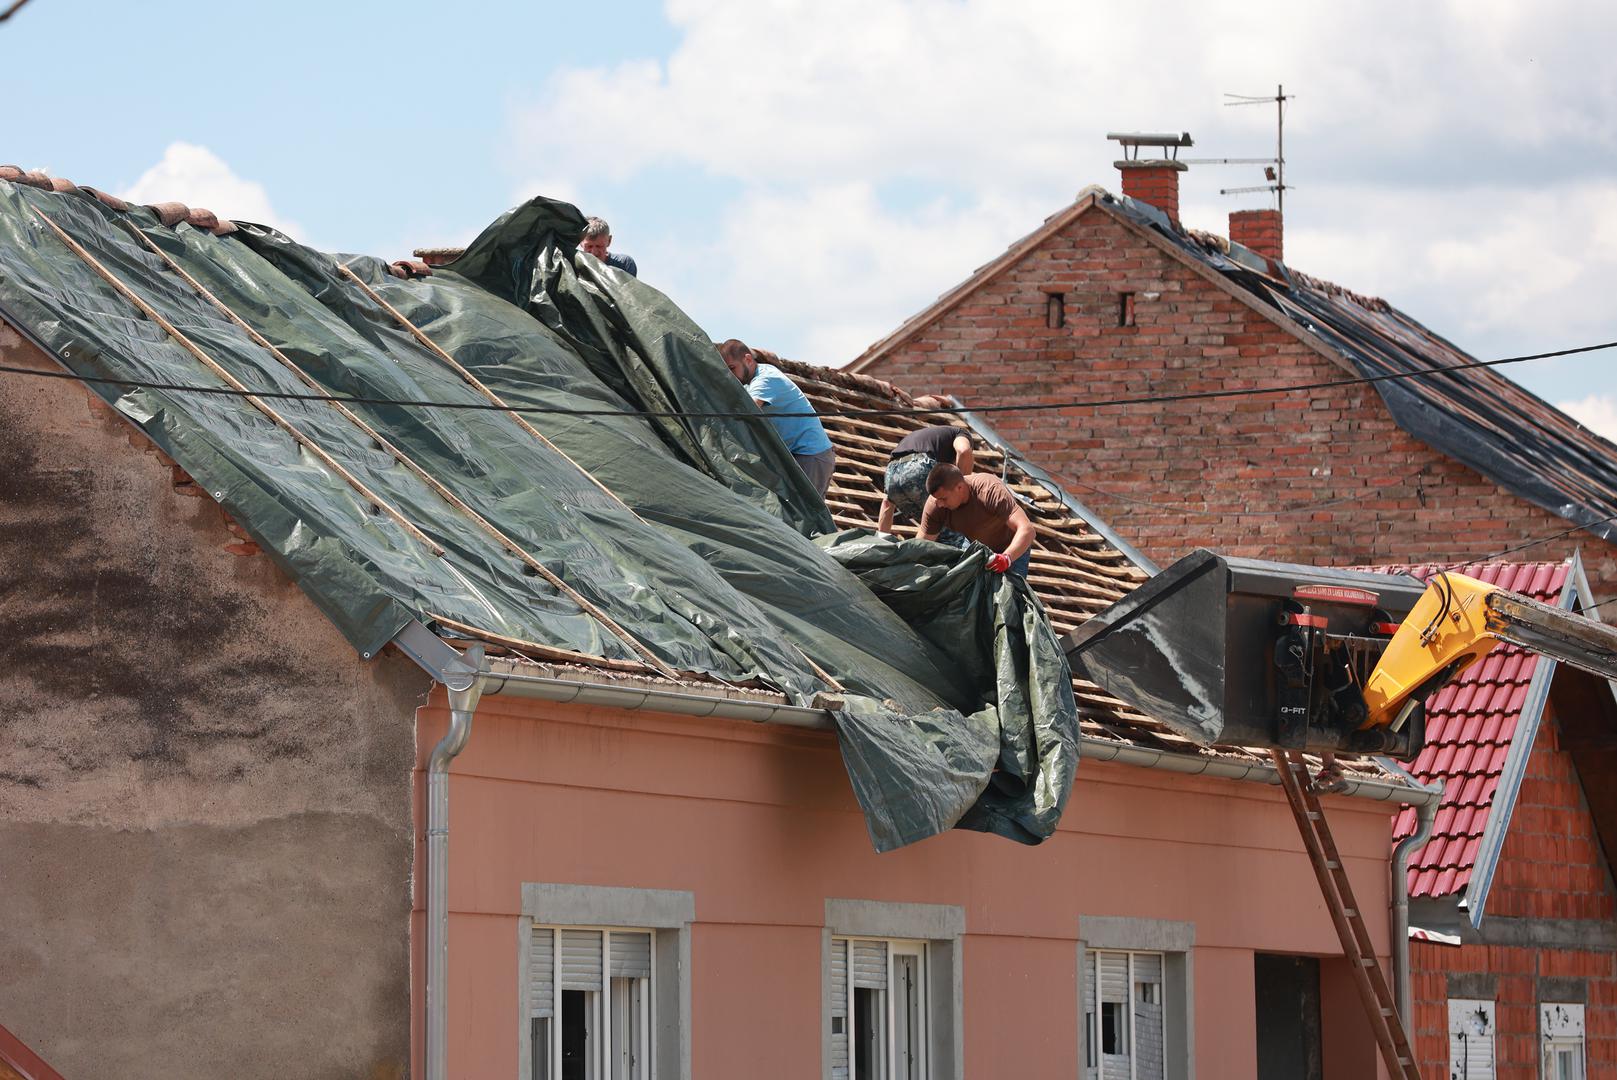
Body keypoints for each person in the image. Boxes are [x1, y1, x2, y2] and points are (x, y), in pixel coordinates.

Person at [717, 339, 837, 497]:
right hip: (796, 455)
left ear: (747, 359)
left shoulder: (766, 380)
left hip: (811, 455)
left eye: (733, 368)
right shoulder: (753, 379)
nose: (731, 375)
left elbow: (747, 411)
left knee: (808, 513)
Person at [919, 463, 1035, 576]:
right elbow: (922, 544)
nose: (939, 504)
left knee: (1011, 592)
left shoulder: (989, 490)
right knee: (964, 587)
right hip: (978, 546)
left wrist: (1005, 559)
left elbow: (1027, 529)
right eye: (937, 499)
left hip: (1013, 546)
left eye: (943, 499)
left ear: (959, 487)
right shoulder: (935, 505)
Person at [878, 425, 976, 533]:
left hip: (891, 474)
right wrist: (961, 486)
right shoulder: (961, 432)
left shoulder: (924, 438)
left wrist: (881, 542)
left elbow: (887, 503)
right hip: (917, 466)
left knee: (931, 528)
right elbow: (964, 451)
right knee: (949, 529)